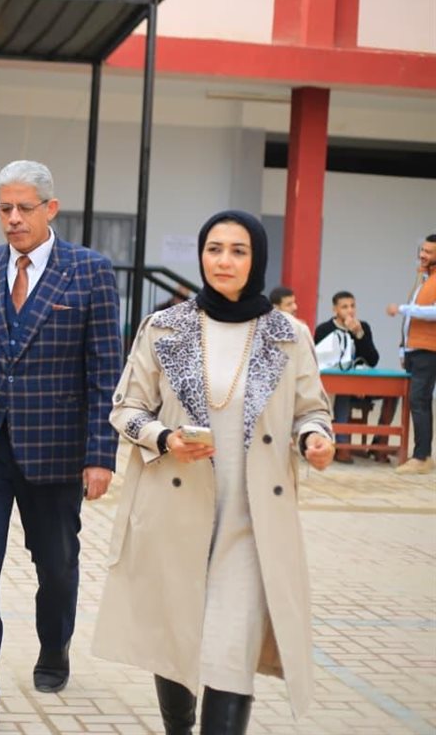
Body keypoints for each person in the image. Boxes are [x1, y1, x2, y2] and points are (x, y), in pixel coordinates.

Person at [93, 210, 335, 735]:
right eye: (214, 249)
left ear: (257, 259)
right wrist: (164, 438)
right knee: (175, 638)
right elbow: (126, 409)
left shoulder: (288, 334)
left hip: (251, 522)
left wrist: (314, 438)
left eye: (238, 251)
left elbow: (311, 410)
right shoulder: (164, 327)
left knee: (232, 649)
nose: (224, 261)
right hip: (174, 510)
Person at [0, 160, 123, 735]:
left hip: (54, 449)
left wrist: (100, 454)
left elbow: (104, 370)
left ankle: (54, 645)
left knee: (57, 566)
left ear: (50, 208)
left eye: (24, 208)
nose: (13, 219)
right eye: (5, 208)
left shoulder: (89, 272)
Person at [314, 291, 396, 463]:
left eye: (352, 306)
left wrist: (359, 334)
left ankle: (379, 444)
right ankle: (342, 446)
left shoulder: (363, 327)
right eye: (344, 307)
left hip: (362, 383)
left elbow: (372, 360)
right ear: (335, 310)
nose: (350, 310)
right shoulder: (324, 329)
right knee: (343, 390)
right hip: (335, 385)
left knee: (394, 392)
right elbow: (318, 361)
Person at [386, 233, 436, 475]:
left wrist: (402, 309)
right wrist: (403, 348)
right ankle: (422, 455)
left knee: (419, 401)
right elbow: (410, 322)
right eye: (422, 250)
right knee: (419, 401)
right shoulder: (425, 279)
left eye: (428, 252)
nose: (422, 255)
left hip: (429, 350)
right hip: (415, 349)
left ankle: (421, 457)